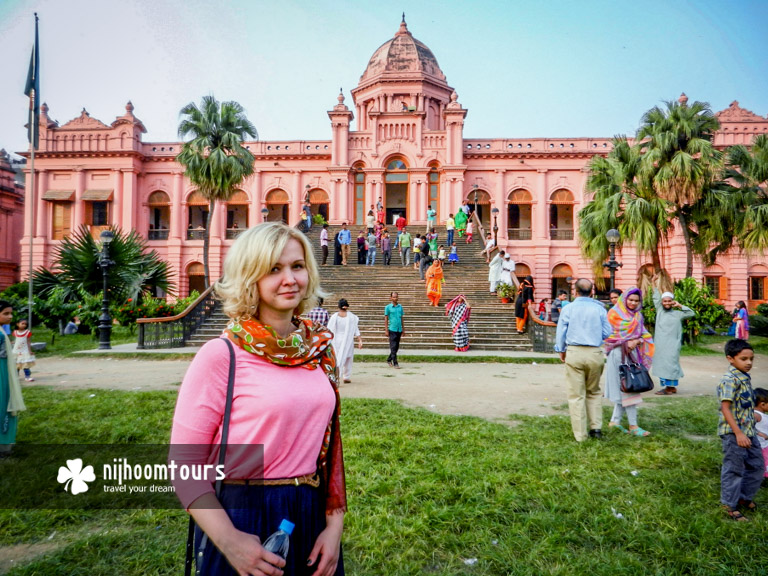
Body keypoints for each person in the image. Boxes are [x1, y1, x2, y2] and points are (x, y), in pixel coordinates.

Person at [170, 222, 346, 575]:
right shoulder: (222, 355)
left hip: (310, 513)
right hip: (244, 515)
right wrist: (231, 543)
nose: (290, 279)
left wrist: (334, 529)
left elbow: (329, 455)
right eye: (273, 269)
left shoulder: (319, 350)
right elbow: (183, 467)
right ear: (251, 276)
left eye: (297, 266)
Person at [554, 279, 612, 442]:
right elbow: (608, 331)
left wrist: (561, 350)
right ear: (592, 291)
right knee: (593, 391)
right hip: (595, 352)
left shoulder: (568, 308)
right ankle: (596, 428)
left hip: (575, 352)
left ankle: (580, 435)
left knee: (576, 394)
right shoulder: (600, 309)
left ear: (575, 291)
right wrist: (594, 337)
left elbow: (561, 332)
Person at [717, 339, 763, 521]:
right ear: (730, 358)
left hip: (749, 431)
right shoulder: (729, 380)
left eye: (751, 359)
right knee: (734, 468)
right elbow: (725, 408)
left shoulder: (744, 377)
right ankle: (729, 505)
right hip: (734, 434)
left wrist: (754, 415)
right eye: (744, 359)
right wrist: (738, 433)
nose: (749, 363)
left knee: (757, 466)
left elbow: (742, 405)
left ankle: (743, 497)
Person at [603, 288, 655, 437]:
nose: (633, 303)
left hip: (633, 354)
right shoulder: (613, 314)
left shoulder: (638, 316)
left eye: (636, 301)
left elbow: (644, 334)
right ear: (625, 299)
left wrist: (637, 340)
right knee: (628, 388)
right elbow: (608, 336)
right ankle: (633, 425)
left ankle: (615, 422)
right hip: (618, 354)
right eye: (630, 300)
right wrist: (626, 342)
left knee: (627, 387)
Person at [651, 283, 696, 396]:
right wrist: (653, 283)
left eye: (669, 301)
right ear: (662, 302)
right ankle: (669, 387)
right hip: (660, 345)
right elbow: (655, 296)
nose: (667, 303)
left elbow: (691, 313)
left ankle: (670, 388)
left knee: (671, 364)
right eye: (664, 301)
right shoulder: (660, 311)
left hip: (672, 344)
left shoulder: (678, 314)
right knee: (662, 364)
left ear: (672, 302)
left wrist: (680, 306)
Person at [0, 301, 26, 456]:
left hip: (5, 372)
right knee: (3, 404)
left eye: (10, 313)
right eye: (5, 313)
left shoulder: (2, 332)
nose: (10, 316)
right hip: (2, 374)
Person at [328, 299, 363, 384]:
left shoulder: (335, 316)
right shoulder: (352, 317)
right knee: (348, 358)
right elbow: (356, 329)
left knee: (337, 358)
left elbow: (329, 329)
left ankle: (337, 375)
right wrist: (360, 340)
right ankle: (346, 376)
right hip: (347, 340)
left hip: (338, 339)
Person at [384, 292, 405, 368]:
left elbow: (402, 318)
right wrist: (386, 330)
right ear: (391, 298)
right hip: (392, 329)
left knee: (396, 347)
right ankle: (395, 363)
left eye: (396, 297)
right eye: (393, 297)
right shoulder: (388, 307)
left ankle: (389, 359)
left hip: (399, 329)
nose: (395, 298)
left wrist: (403, 329)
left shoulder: (400, 307)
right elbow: (386, 319)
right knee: (393, 346)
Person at [754, 387, 768, 480]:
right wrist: (759, 433)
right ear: (762, 404)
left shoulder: (763, 415)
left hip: (764, 445)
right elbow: (747, 426)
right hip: (760, 446)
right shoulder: (756, 414)